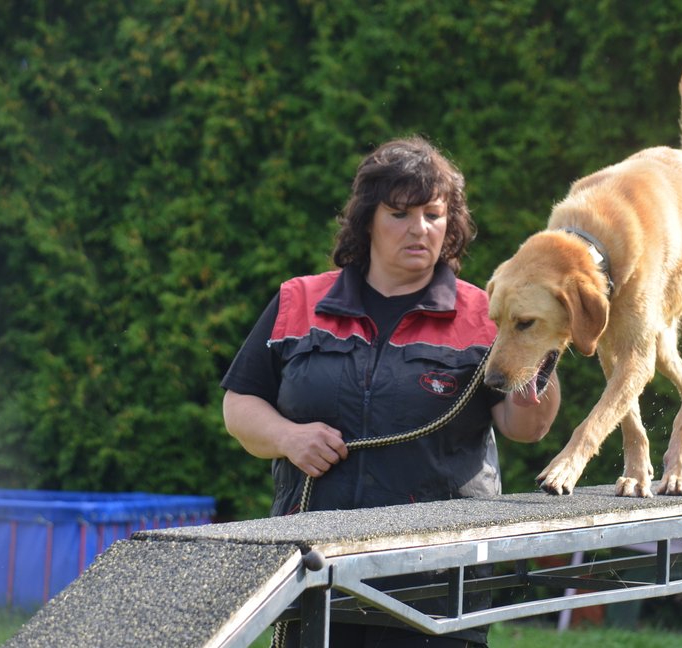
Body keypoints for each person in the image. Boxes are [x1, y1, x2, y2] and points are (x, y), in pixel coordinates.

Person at [221, 135, 560, 647]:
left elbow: (526, 429)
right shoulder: (299, 300)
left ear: (451, 224)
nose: (419, 229)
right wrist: (288, 437)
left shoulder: (489, 312)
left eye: (433, 213)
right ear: (367, 221)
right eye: (400, 213)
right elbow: (239, 404)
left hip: (440, 586)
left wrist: (538, 363)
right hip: (314, 576)